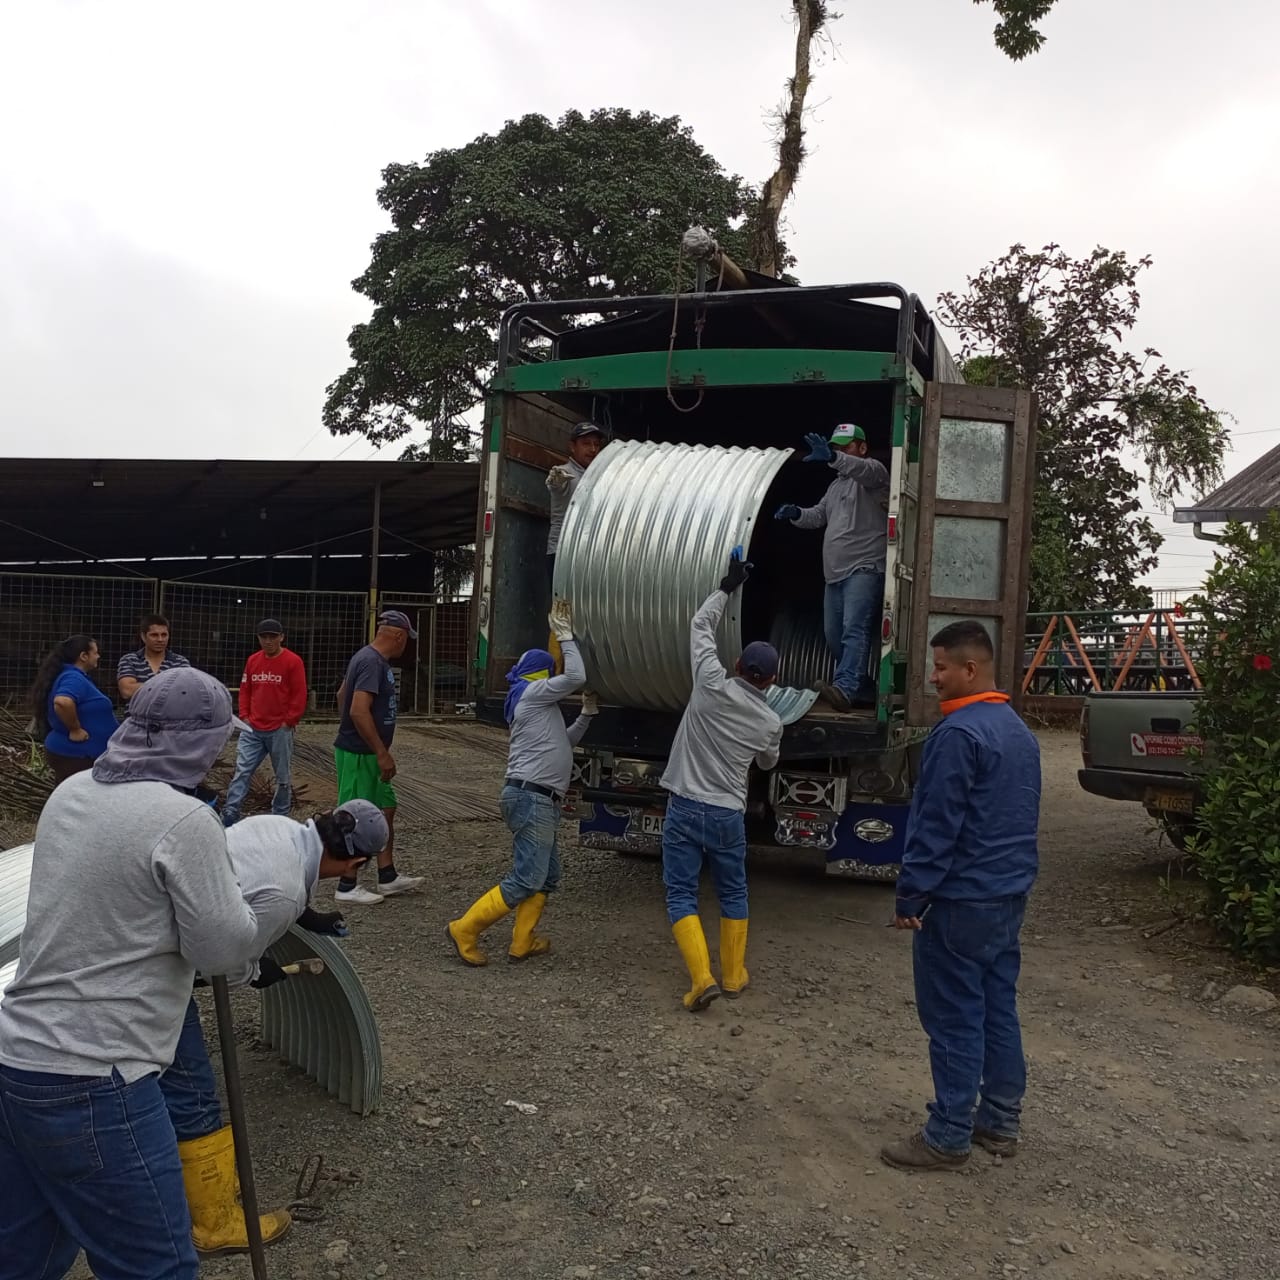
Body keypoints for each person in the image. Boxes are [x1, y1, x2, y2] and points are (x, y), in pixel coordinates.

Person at [0, 667, 262, 1280]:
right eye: (217, 741)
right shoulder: (184, 820)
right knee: (156, 1268)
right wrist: (243, 909)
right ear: (197, 743)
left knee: (26, 1259)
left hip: (17, 1062)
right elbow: (221, 951)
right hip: (97, 1078)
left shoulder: (72, 793)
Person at [160, 799, 388, 1255]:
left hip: (162, 923)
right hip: (159, 964)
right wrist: (258, 971)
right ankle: (215, 1223)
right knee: (193, 1092)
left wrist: (309, 915)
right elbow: (226, 962)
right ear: (356, 863)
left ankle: (190, 1182)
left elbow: (249, 882)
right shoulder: (284, 895)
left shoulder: (276, 826)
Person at [880, 620, 1041, 1172]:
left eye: (942, 667)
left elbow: (935, 826)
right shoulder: (1018, 731)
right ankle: (999, 1120)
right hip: (1007, 897)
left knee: (953, 1015)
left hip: (960, 902)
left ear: (971, 669)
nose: (934, 677)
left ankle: (947, 1135)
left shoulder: (957, 736)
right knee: (997, 1007)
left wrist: (911, 897)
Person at [659, 548, 784, 1012]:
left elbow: (700, 626)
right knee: (733, 892)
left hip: (684, 806)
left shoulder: (710, 682)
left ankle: (700, 979)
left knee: (681, 893)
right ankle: (732, 977)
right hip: (727, 814)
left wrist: (727, 587)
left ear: (736, 665)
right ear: (771, 681)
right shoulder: (770, 722)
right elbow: (768, 764)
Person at [446, 599, 597, 966]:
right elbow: (576, 677)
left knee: (547, 875)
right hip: (532, 799)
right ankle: (464, 928)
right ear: (542, 674)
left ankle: (522, 942)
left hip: (536, 799)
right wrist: (565, 636)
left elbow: (563, 743)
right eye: (552, 672)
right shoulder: (532, 693)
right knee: (529, 877)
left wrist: (586, 715)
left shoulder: (535, 703)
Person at [774, 425, 889, 711]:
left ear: (862, 448)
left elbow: (862, 470)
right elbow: (817, 516)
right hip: (835, 574)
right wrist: (797, 513)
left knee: (854, 629)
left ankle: (846, 689)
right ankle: (863, 689)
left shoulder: (874, 474)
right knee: (833, 635)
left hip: (864, 568)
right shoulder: (835, 487)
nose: (839, 451)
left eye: (845, 447)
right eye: (836, 447)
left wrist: (834, 459)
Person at [331, 609, 423, 904]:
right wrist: (379, 751)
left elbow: (342, 695)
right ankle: (347, 884)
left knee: (386, 808)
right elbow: (358, 710)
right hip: (361, 754)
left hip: (367, 752)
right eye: (406, 638)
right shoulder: (371, 662)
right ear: (398, 636)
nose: (406, 644)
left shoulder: (369, 659)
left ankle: (387, 876)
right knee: (354, 816)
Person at [221, 619, 308, 826]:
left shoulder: (293, 661)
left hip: (279, 729)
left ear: (281, 637)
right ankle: (230, 812)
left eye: (272, 637)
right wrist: (244, 715)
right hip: (253, 727)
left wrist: (289, 721)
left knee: (282, 777)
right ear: (258, 638)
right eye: (264, 637)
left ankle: (280, 818)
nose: (268, 641)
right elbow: (245, 689)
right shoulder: (253, 660)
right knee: (242, 771)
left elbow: (299, 693)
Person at [545, 421, 604, 667]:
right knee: (562, 614)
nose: (592, 449)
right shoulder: (565, 473)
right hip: (562, 555)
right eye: (586, 443)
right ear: (572, 447)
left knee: (586, 613)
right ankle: (556, 672)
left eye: (596, 444)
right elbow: (555, 484)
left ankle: (584, 674)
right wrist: (556, 479)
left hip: (587, 555)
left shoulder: (599, 476)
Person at [29, 633, 118, 783]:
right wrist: (75, 729)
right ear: (83, 656)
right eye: (95, 652)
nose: (98, 656)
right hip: (78, 755)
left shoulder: (71, 675)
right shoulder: (73, 678)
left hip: (76, 755)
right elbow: (62, 702)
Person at [117, 612, 191, 702]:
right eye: (154, 635)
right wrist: (168, 687)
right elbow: (127, 691)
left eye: (164, 635)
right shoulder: (130, 660)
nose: (160, 639)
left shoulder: (180, 662)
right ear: (143, 636)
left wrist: (143, 688)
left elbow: (185, 692)